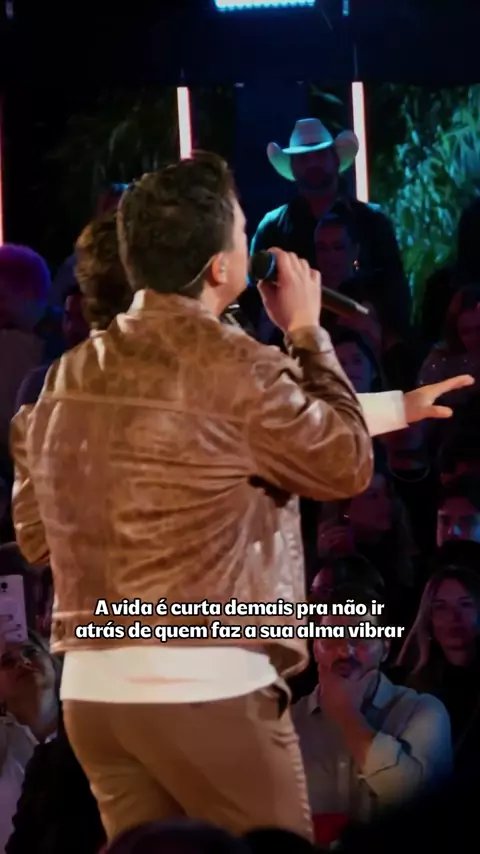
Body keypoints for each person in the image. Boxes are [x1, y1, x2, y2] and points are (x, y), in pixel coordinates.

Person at [11, 152, 376, 843]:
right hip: (203, 675)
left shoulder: (65, 376)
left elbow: (32, 533)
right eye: (242, 231)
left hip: (94, 688)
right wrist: (306, 332)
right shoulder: (237, 364)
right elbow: (347, 463)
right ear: (218, 268)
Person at [292, 585, 452, 844]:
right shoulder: (290, 723)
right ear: (315, 648)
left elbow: (420, 807)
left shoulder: (422, 711)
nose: (345, 651)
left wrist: (348, 716)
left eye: (361, 637)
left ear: (385, 648)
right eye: (331, 638)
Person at [249, 118, 411, 339]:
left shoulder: (373, 221)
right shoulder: (272, 228)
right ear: (293, 167)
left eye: (320, 155)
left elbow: (396, 292)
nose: (313, 164)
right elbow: (254, 295)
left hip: (365, 348)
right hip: (293, 344)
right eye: (304, 158)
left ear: (335, 160)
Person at [395, 567, 480, 771]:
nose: (453, 616)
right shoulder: (407, 687)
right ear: (429, 618)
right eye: (441, 607)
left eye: (465, 604)